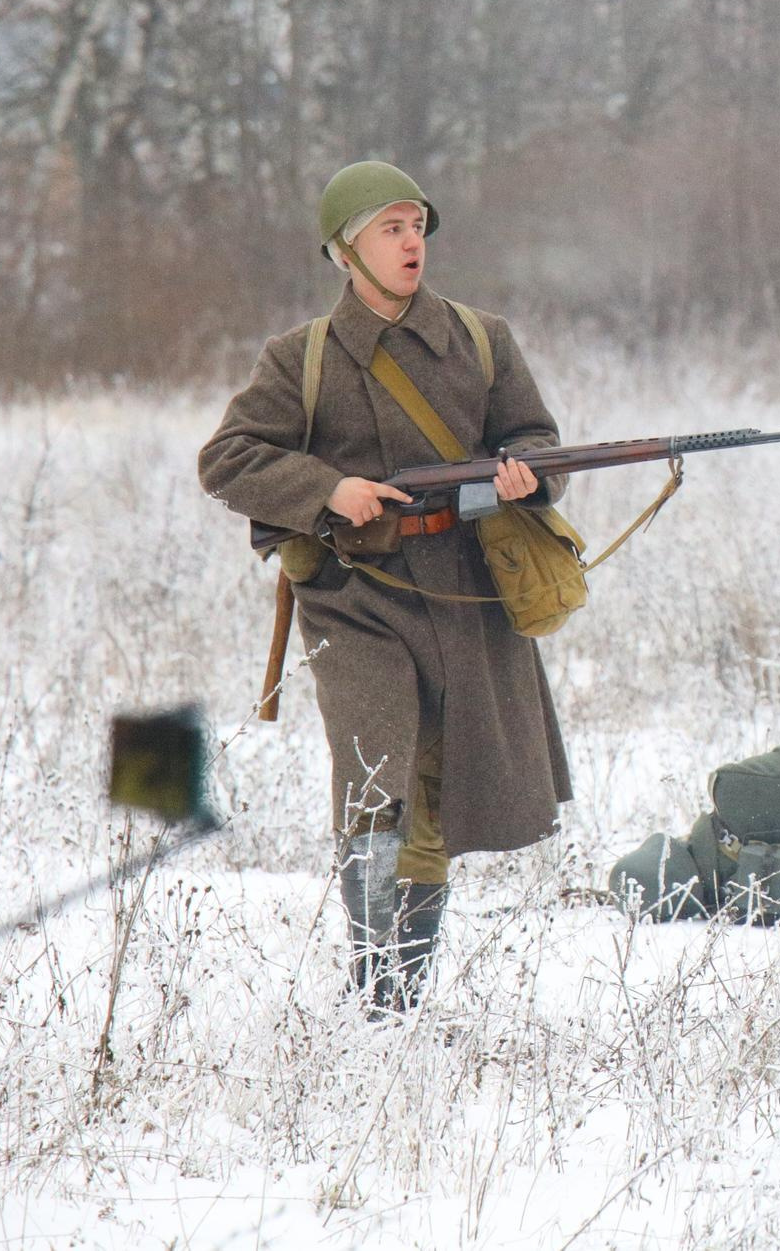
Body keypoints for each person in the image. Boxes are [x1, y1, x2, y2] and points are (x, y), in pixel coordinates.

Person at [197, 162, 575, 1012]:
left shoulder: (482, 339)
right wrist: (329, 489)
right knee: (376, 783)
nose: (412, 243)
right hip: (356, 598)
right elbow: (227, 460)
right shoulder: (300, 358)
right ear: (345, 252)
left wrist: (528, 475)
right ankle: (376, 989)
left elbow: (536, 440)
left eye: (417, 226)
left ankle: (397, 1001)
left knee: (436, 790)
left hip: (466, 594)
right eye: (390, 229)